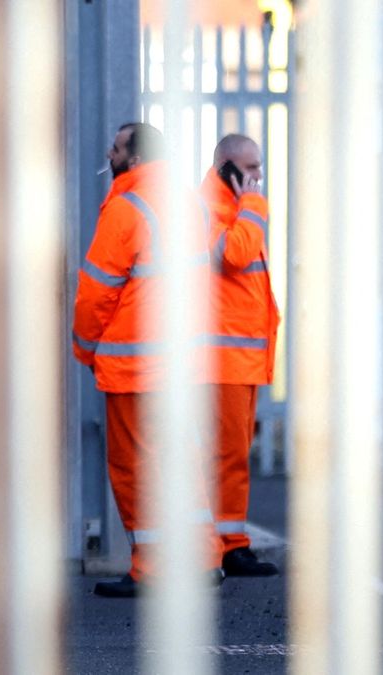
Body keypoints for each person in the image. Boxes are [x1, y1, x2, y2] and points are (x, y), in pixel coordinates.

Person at [73, 122, 223, 598]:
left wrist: (84, 347)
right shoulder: (188, 203)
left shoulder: (127, 205)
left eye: (116, 147)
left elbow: (96, 292)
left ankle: (153, 567)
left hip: (136, 368)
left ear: (134, 159)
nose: (109, 153)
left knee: (136, 467)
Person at [200, 134, 280, 577]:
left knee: (233, 454)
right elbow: (234, 256)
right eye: (250, 169)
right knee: (223, 455)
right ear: (226, 167)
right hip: (221, 359)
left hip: (239, 357)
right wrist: (254, 208)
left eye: (259, 168)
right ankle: (225, 545)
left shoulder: (231, 209)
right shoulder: (209, 209)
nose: (258, 178)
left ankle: (231, 542)